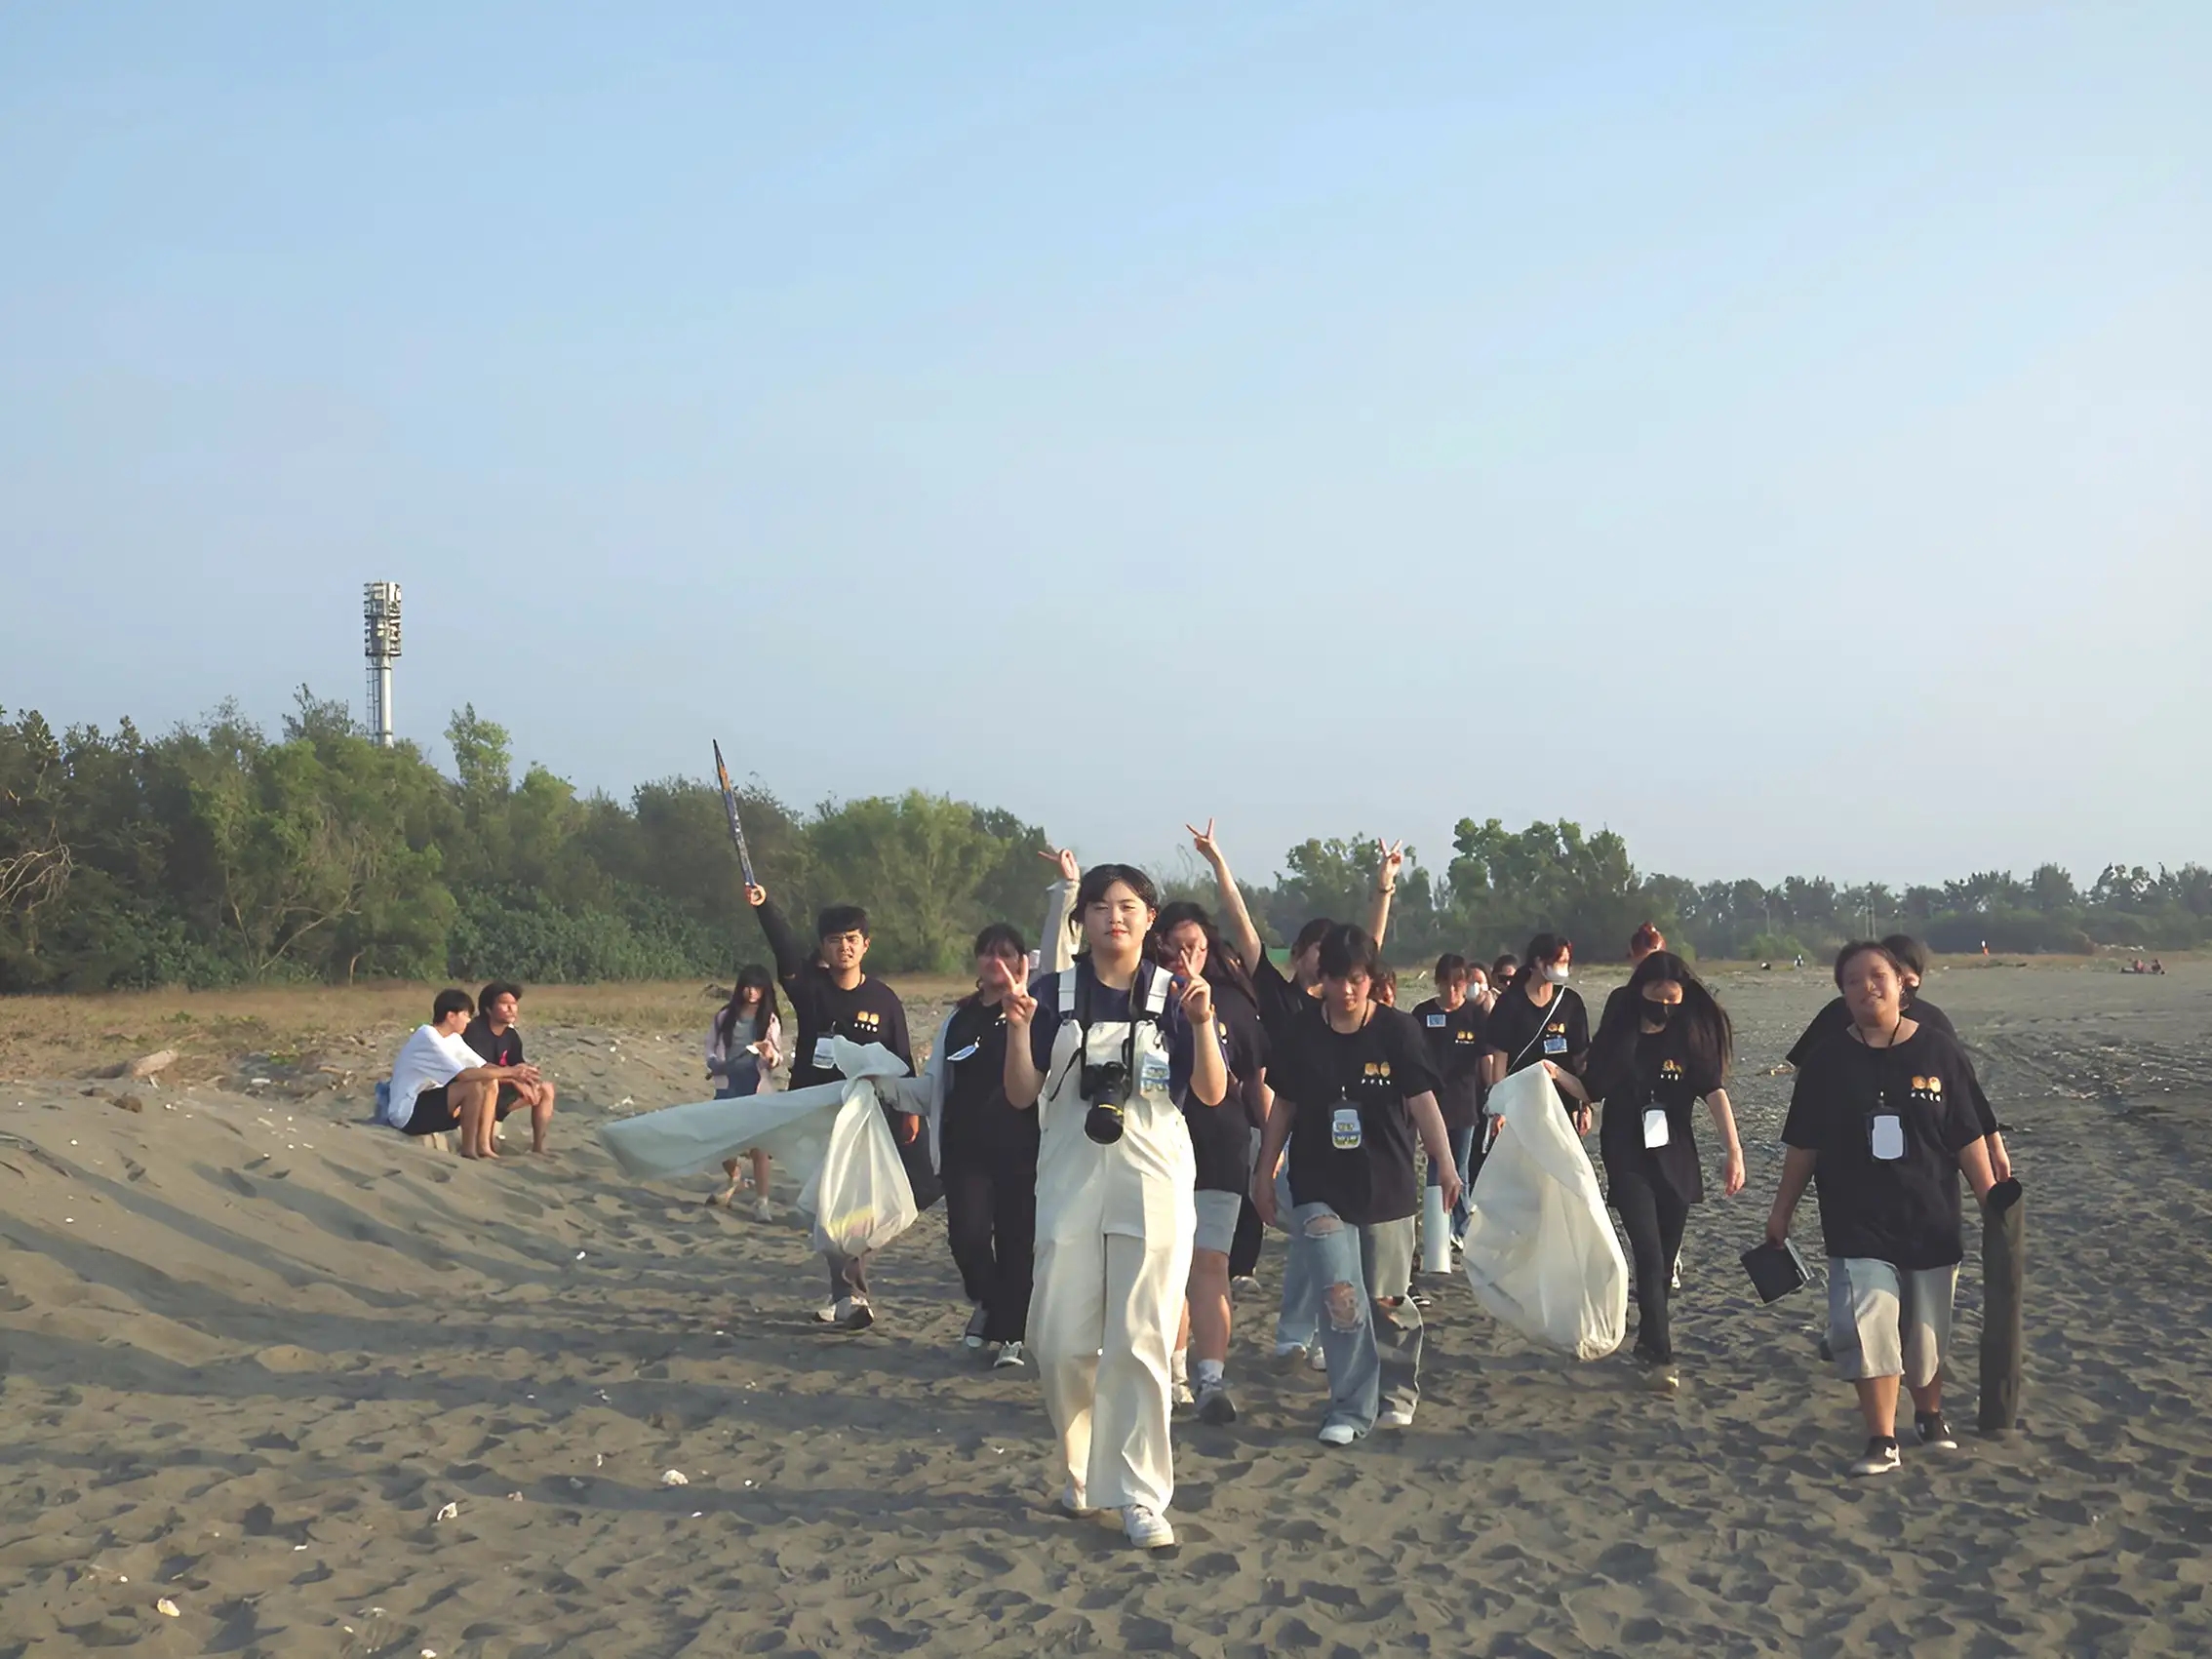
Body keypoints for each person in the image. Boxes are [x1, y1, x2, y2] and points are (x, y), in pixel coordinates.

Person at [1000, 862, 1228, 1552]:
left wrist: (1205, 1022)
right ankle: (1081, 1469)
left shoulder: (1174, 995)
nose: (1113, 918)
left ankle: (1139, 1494)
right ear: (1083, 919)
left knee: (1142, 1340)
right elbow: (1020, 1095)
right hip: (1070, 1172)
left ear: (1149, 916)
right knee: (1061, 1339)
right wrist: (1017, 1029)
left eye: (1127, 906)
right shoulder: (1052, 992)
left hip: (1151, 1172)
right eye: (1098, 906)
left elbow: (1213, 1093)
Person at [1767, 940, 1998, 1478]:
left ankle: (1931, 1414)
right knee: (1867, 1323)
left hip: (1930, 1214)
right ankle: (1881, 1436)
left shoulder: (1939, 1051)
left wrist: (1990, 1197)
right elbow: (1805, 1144)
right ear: (1841, 992)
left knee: (1924, 1333)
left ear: (1902, 983)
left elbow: (1968, 1134)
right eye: (1853, 980)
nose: (1867, 987)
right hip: (1855, 1218)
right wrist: (1782, 1211)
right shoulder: (1827, 1060)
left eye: (1877, 976)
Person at [1193, 822, 1400, 1368]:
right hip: (1289, 1135)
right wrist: (1219, 863)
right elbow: (1241, 925)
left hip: (1342, 1142)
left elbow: (1370, 949)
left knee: (1321, 1239)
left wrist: (1383, 889)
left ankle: (1301, 1334)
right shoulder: (1280, 998)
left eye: (1341, 964)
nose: (1329, 968)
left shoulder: (1349, 1007)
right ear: (1306, 955)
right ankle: (1296, 1332)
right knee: (1315, 1235)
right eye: (1319, 953)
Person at [1253, 923, 1456, 1443]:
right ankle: (1348, 1407)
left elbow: (1423, 1103)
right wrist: (1265, 1169)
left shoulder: (1397, 1031)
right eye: (1337, 979)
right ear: (1321, 978)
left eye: (1358, 979)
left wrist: (1447, 1165)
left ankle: (1396, 1393)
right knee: (1341, 1299)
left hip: (1386, 1186)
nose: (1347, 990)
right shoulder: (1301, 1034)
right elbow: (1285, 1107)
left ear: (1372, 980)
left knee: (1387, 1300)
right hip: (1320, 1184)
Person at [745, 882, 918, 1331]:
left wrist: (912, 1111)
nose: (845, 947)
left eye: (852, 939)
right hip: (817, 1112)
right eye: (835, 940)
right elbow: (783, 954)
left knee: (857, 1206)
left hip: (867, 1118)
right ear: (823, 947)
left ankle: (845, 1291)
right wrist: (766, 907)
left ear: (866, 944)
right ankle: (849, 1296)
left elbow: (902, 1058)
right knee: (831, 1206)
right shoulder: (812, 991)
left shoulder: (883, 999)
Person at [1583, 952, 1745, 1392]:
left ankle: (1649, 1333)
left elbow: (1714, 1091)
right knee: (1650, 1255)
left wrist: (1734, 1150)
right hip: (1626, 1155)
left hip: (1676, 1158)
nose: (1666, 1007)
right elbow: (1592, 1087)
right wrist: (1551, 1078)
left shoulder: (1689, 1036)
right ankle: (1661, 1354)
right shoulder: (1620, 1035)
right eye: (1658, 998)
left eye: (1673, 999)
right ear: (1640, 993)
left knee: (1664, 1261)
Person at [892, 920, 1041, 1369]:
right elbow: (934, 1086)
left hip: (1022, 1150)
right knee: (968, 1239)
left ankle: (1012, 1334)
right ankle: (993, 1307)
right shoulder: (960, 1018)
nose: (997, 962)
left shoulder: (1033, 1013)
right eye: (988, 953)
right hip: (964, 1149)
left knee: (1018, 1243)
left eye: (1007, 954)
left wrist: (1067, 891)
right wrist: (884, 1087)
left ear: (1022, 962)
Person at [1147, 898, 1270, 1426]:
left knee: (1212, 1261)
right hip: (1157, 1145)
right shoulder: (1142, 999)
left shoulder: (1233, 1004)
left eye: (1197, 946)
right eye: (1177, 947)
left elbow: (1256, 1081)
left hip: (1222, 1144)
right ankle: (1173, 1370)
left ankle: (1212, 1375)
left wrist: (1271, 1147)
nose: (1188, 957)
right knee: (1169, 1264)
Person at [1785, 933, 2011, 1180]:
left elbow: (1966, 1097)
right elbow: (1803, 1081)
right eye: (1859, 979)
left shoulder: (1934, 1027)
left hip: (1925, 1175)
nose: (1870, 988)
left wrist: (1994, 1144)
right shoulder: (1837, 1017)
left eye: (1912, 984)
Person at [382, 989, 541, 1158]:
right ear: (451, 1016)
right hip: (408, 1112)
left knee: (490, 1081)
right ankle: (469, 1151)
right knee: (472, 1087)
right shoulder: (428, 1036)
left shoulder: (452, 1038)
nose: (468, 1020)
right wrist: (510, 1071)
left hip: (431, 1101)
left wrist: (516, 1077)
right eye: (466, 1015)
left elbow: (483, 1066)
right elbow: (463, 1075)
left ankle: (483, 1146)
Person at [1410, 954, 1488, 1254]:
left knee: (1461, 1167)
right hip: (1432, 1103)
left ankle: (1461, 1226)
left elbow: (1487, 1058)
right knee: (1435, 1165)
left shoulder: (1475, 1015)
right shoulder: (1423, 1014)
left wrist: (1494, 1095)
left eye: (1458, 985)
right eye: (1447, 985)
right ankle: (1437, 1228)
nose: (1452, 992)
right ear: (1439, 983)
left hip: (1466, 1102)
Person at [1482, 933, 1593, 1134]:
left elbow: (1580, 1059)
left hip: (1562, 1104)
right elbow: (1500, 1060)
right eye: (1558, 961)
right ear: (1538, 962)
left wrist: (1585, 1105)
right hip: (1520, 1104)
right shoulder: (1510, 1003)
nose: (1563, 967)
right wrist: (1500, 1109)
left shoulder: (1570, 1002)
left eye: (1566, 962)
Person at [704, 966, 782, 1220]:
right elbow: (711, 1047)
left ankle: (762, 1203)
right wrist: (715, 1063)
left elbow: (776, 1055)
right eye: (748, 987)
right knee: (724, 1144)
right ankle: (735, 1177)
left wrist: (769, 1055)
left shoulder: (769, 1019)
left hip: (757, 1087)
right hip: (729, 1085)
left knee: (760, 1147)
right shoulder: (725, 1016)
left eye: (757, 988)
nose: (752, 992)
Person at [462, 981, 559, 1155]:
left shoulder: (511, 1035)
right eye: (504, 1004)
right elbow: (478, 1071)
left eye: (514, 1004)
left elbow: (518, 1066)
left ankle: (538, 1147)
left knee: (546, 1089)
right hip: (479, 1092)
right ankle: (484, 1144)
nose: (511, 1008)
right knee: (489, 1082)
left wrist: (528, 1080)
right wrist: (514, 1080)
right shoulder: (475, 1031)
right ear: (488, 1009)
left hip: (503, 1091)